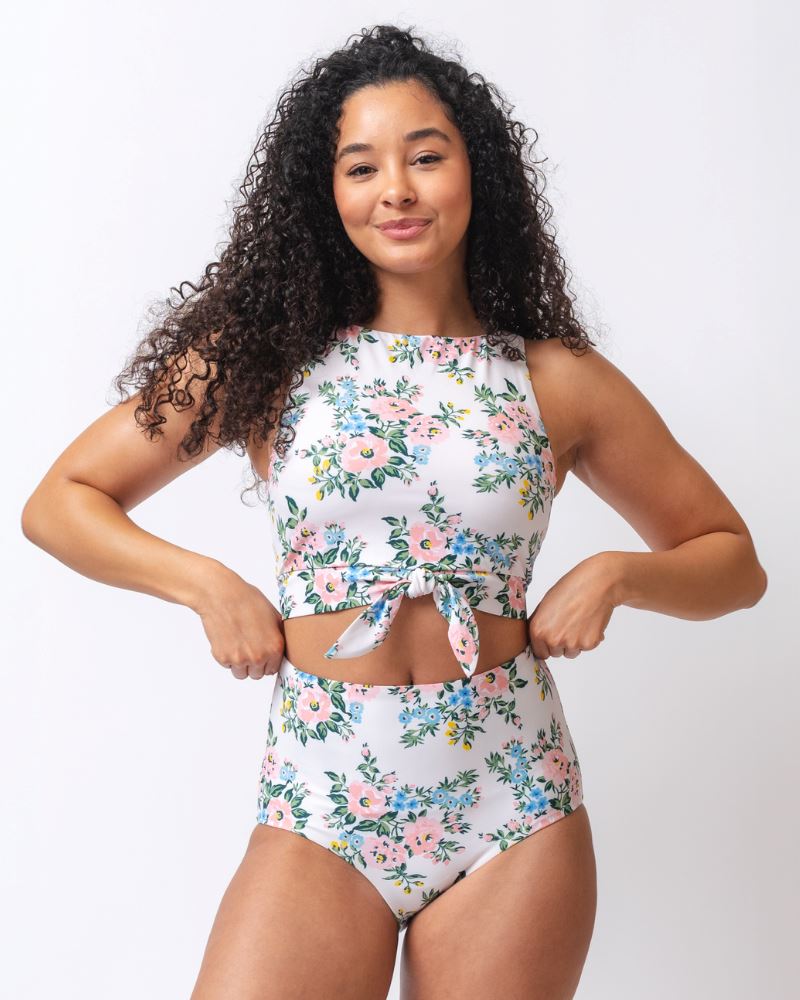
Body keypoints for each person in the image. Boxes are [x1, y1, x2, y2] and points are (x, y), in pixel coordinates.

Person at [21, 23, 768, 1000]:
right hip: (323, 789)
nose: (396, 191)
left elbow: (731, 561)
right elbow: (61, 502)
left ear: (476, 171)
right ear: (323, 192)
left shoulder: (559, 380)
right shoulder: (265, 357)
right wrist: (204, 584)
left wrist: (619, 575)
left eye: (425, 156)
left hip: (515, 799)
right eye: (361, 166)